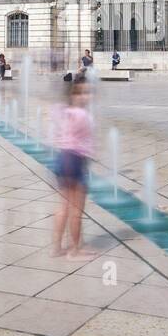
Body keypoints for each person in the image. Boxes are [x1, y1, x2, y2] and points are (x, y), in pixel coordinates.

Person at [51, 78, 94, 260]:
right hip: (76, 161)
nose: (87, 96)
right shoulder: (84, 115)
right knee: (76, 210)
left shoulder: (62, 111)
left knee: (64, 206)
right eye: (83, 92)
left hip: (61, 159)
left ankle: (56, 248)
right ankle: (75, 250)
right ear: (75, 95)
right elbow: (89, 144)